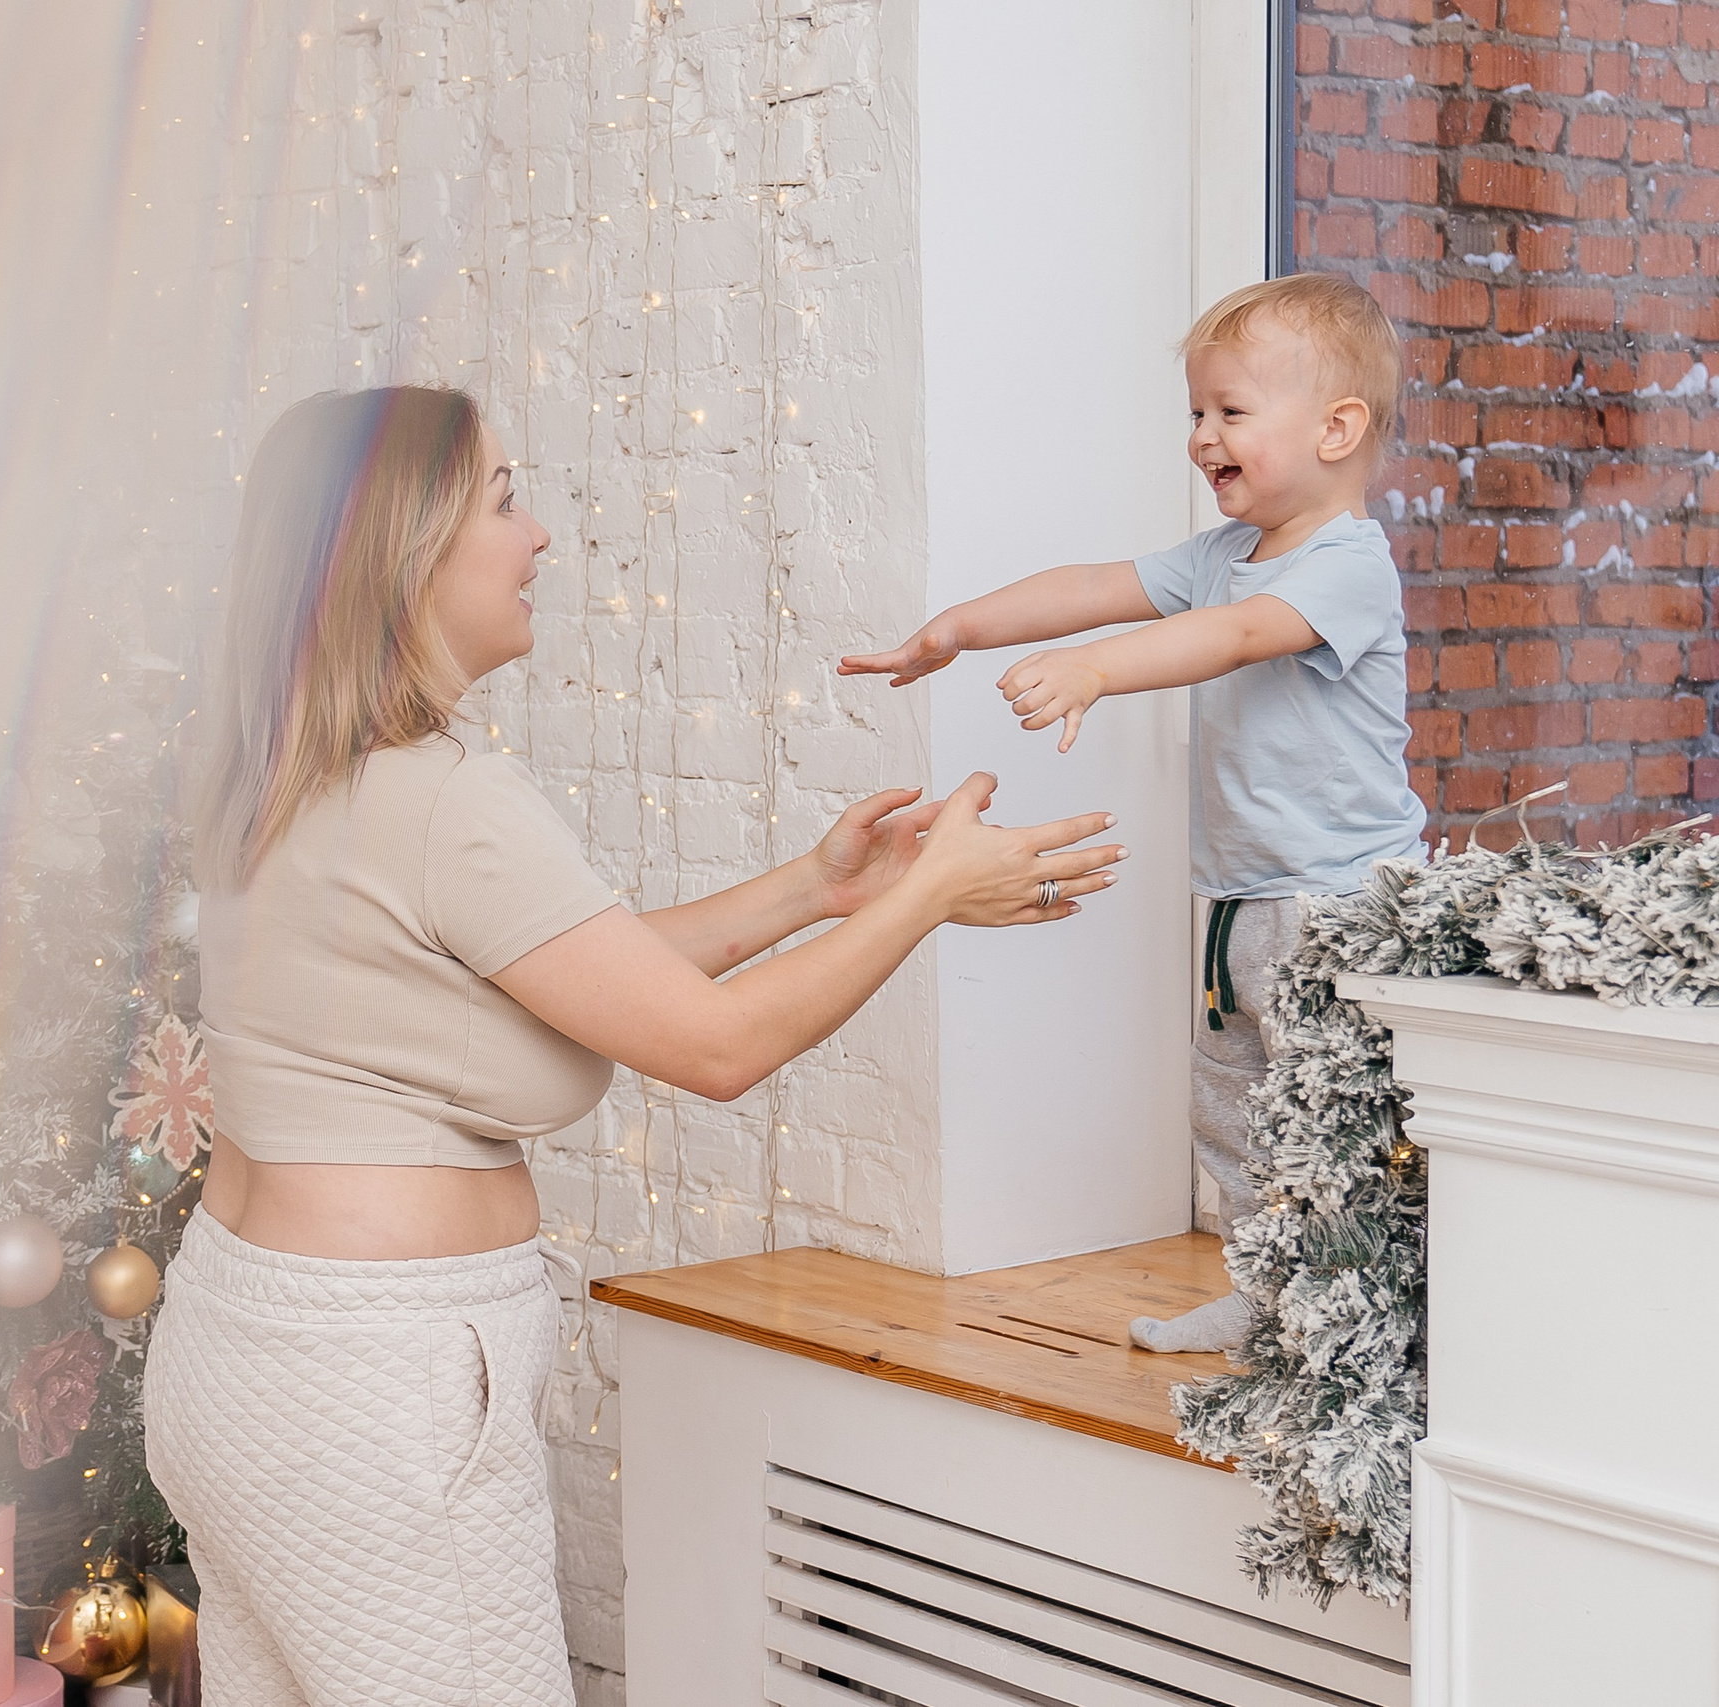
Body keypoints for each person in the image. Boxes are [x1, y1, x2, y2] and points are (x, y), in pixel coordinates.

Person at [145, 383, 1125, 1706]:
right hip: (373, 1386)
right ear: (407, 549)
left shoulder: (283, 770)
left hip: (240, 1351)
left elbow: (568, 970)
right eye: (502, 498)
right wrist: (929, 893)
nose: (539, 532)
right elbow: (713, 1049)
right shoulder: (446, 799)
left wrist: (812, 889)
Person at [840, 271, 1426, 1355]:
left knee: (1332, 1123)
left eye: (1230, 413)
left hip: (1334, 901)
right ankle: (1270, 1296)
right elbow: (1092, 584)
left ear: (1337, 429)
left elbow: (1239, 638)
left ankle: (1358, 1327)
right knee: (1234, 1111)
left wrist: (1096, 674)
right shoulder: (1219, 558)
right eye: (1195, 414)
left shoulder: (1345, 568)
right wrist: (960, 628)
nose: (1202, 437)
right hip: (1237, 899)